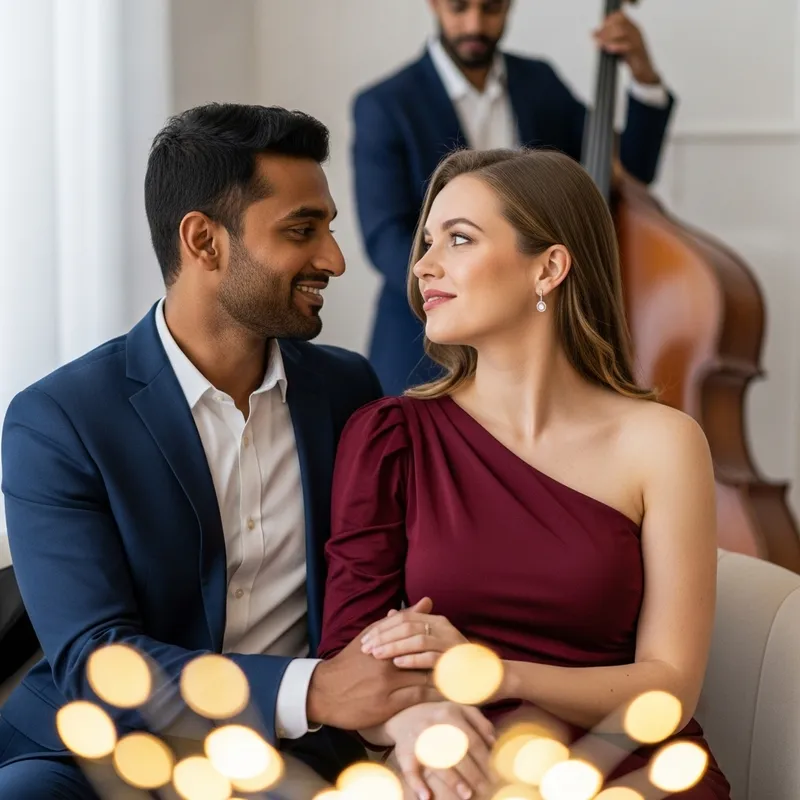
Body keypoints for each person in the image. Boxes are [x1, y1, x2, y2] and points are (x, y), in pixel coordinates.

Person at [0, 104, 441, 799]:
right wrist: (316, 690)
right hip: (99, 757)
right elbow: (96, 662)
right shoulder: (58, 420)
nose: (334, 258)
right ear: (204, 242)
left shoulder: (348, 389)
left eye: (328, 226)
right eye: (303, 229)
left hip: (295, 761)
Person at [319, 148, 731, 799]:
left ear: (550, 267)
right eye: (427, 243)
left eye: (459, 239)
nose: (424, 265)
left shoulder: (664, 444)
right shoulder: (390, 437)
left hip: (627, 770)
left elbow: (669, 688)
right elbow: (346, 659)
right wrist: (411, 721)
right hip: (454, 768)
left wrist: (493, 674)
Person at [353, 0, 675, 396]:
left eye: (490, 9)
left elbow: (629, 169)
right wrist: (481, 294)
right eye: (459, 9)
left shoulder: (540, 83)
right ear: (434, 5)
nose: (475, 25)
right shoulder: (384, 105)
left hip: (541, 345)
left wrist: (643, 76)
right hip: (420, 349)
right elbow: (386, 238)